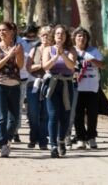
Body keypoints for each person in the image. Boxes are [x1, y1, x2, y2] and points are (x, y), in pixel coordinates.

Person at [0, 22, 24, 157]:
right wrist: (8, 55)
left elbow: (20, 66)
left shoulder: (18, 47)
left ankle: (8, 138)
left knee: (14, 118)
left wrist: (17, 54)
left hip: (14, 85)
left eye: (5, 30)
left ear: (12, 32)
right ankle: (3, 144)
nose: (1, 32)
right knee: (2, 116)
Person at [42, 25, 77, 158]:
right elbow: (45, 66)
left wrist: (63, 54)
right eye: (57, 33)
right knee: (53, 114)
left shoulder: (71, 50)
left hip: (66, 84)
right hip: (52, 84)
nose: (59, 36)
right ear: (53, 35)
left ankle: (61, 140)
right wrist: (56, 56)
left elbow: (71, 67)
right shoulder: (47, 49)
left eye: (62, 33)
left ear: (66, 36)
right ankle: (53, 145)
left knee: (65, 115)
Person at [72, 27, 105, 149]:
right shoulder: (71, 51)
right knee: (77, 114)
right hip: (76, 88)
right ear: (74, 38)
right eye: (79, 36)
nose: (82, 38)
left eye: (84, 36)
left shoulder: (94, 51)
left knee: (92, 114)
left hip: (92, 88)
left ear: (87, 39)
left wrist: (93, 60)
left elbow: (103, 65)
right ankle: (80, 139)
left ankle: (91, 137)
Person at [26, 26, 51, 150]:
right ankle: (33, 138)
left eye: (47, 35)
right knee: (33, 114)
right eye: (43, 35)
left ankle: (43, 141)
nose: (45, 37)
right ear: (39, 36)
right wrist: (42, 65)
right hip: (33, 85)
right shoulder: (34, 50)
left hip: (49, 84)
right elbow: (28, 68)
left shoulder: (53, 50)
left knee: (45, 114)